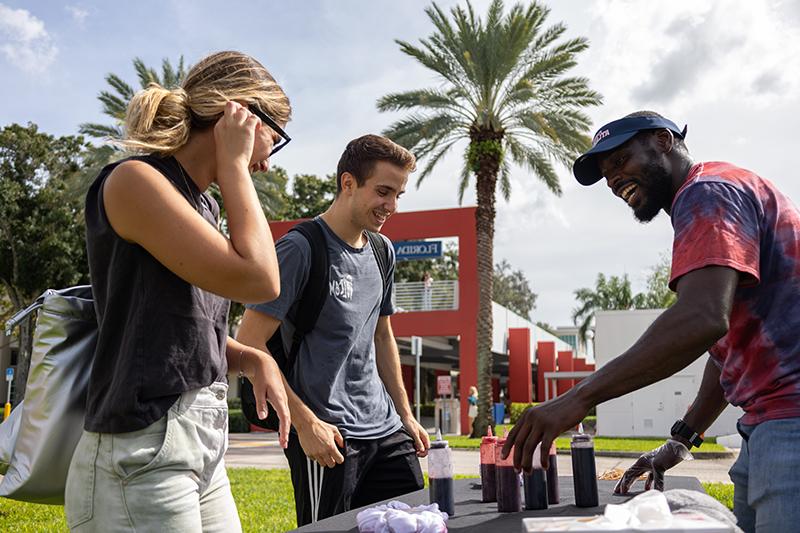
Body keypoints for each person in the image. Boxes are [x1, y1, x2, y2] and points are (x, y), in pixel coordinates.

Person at [502, 111, 800, 533]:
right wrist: (681, 440)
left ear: (663, 141)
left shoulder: (707, 191)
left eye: (620, 161)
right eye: (606, 175)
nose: (613, 181)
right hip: (766, 422)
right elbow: (724, 348)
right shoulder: (715, 191)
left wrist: (578, 398)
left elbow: (701, 319)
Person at [65, 51, 292, 532]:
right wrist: (233, 165)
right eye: (275, 138)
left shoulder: (201, 205)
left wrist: (253, 359)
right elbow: (262, 280)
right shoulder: (135, 181)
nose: (268, 162)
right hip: (142, 449)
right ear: (242, 116)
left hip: (199, 449)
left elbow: (176, 329)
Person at [236, 134, 430, 526]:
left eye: (398, 195)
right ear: (347, 183)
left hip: (386, 429)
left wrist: (406, 416)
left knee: (416, 524)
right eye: (383, 192)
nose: (391, 206)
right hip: (328, 435)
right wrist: (306, 425)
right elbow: (247, 345)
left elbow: (381, 336)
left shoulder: (382, 251)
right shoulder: (299, 249)